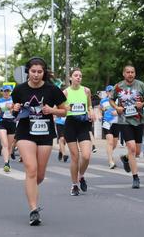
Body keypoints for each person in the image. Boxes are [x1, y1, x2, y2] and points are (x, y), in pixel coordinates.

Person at [12, 57, 67, 226]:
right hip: (25, 132)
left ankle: (31, 188)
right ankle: (33, 210)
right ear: (28, 72)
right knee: (31, 169)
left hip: (45, 133)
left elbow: (65, 111)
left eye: (39, 72)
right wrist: (14, 109)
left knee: (40, 175)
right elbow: (15, 111)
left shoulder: (52, 90)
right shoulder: (19, 90)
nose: (36, 75)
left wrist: (52, 110)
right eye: (33, 71)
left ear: (44, 73)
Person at [110, 65, 144, 189]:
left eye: (132, 72)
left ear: (135, 73)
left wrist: (143, 103)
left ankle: (126, 158)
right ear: (124, 74)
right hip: (124, 121)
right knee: (132, 148)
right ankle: (135, 177)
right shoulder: (118, 86)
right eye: (128, 72)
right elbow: (111, 99)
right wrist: (117, 107)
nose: (130, 74)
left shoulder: (141, 85)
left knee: (137, 152)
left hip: (138, 121)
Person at [63, 67, 95, 196]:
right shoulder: (65, 92)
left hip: (83, 124)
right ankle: (74, 185)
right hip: (70, 124)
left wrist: (91, 112)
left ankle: (81, 176)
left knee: (86, 155)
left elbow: (90, 105)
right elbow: (60, 108)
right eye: (76, 75)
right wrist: (67, 107)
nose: (78, 77)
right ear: (70, 78)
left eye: (80, 76)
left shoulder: (86, 91)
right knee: (75, 157)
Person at [0, 85, 16, 172]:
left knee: (9, 145)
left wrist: (11, 108)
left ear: (10, 91)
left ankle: (8, 161)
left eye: (8, 91)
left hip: (11, 122)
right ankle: (6, 163)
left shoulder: (14, 100)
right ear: (2, 92)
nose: (6, 92)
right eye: (5, 91)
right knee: (5, 143)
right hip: (1, 122)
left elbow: (16, 111)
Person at [99, 85, 119, 169]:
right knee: (110, 142)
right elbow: (100, 109)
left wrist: (117, 112)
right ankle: (111, 161)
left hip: (116, 122)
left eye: (112, 91)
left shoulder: (118, 100)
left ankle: (109, 153)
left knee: (114, 144)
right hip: (106, 122)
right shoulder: (103, 101)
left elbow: (122, 110)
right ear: (106, 92)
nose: (111, 92)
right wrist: (100, 115)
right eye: (109, 91)